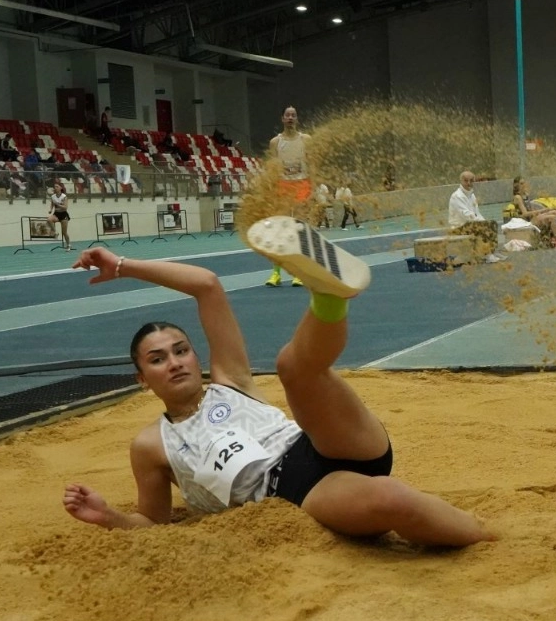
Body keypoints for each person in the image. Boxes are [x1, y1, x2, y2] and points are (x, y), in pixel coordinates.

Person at [61, 222, 493, 547]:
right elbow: (153, 522)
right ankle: (489, 536)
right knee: (394, 500)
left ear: (195, 356)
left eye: (181, 350)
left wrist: (122, 265)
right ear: (142, 379)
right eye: (158, 359)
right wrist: (108, 516)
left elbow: (207, 286)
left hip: (321, 441)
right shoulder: (151, 445)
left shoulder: (229, 380)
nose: (174, 363)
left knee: (293, 367)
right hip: (292, 491)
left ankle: (329, 296)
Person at [264, 106, 311, 287]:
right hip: (283, 185)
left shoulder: (306, 139)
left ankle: (298, 273)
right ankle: (276, 274)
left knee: (298, 229)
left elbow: (312, 163)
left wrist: (313, 186)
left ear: (297, 119)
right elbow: (272, 167)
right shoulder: (275, 142)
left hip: (302, 184)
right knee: (280, 230)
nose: (290, 117)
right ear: (282, 119)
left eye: (293, 115)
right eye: (287, 115)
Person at [448, 170, 497, 253]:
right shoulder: (457, 196)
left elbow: (477, 213)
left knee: (492, 224)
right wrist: (481, 223)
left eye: (471, 181)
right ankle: (486, 253)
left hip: (469, 224)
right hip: (458, 227)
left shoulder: (472, 195)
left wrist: (485, 221)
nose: (468, 183)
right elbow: (466, 215)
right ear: (461, 181)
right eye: (466, 181)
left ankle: (491, 251)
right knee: (482, 226)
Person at [510, 177, 556, 246]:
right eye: (521, 184)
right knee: (552, 217)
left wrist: (543, 211)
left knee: (554, 212)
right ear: (516, 186)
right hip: (526, 221)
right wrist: (540, 211)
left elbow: (531, 209)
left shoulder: (525, 195)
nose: (524, 185)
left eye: (524, 183)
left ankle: (552, 235)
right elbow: (525, 214)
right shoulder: (518, 197)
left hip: (532, 217)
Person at [48, 180, 73, 250]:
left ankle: (68, 244)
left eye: (57, 186)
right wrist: (50, 210)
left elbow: (65, 207)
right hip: (56, 214)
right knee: (49, 220)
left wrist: (58, 205)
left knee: (64, 232)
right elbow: (52, 204)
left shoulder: (64, 196)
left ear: (60, 188)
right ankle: (55, 232)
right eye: (54, 187)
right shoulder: (53, 196)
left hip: (63, 214)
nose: (55, 188)